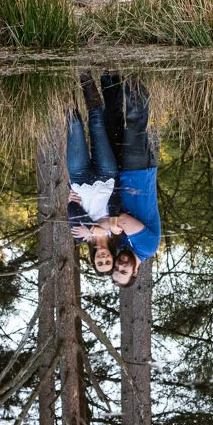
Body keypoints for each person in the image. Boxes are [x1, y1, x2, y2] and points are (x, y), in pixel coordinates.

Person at [101, 72, 161, 286]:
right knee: (135, 122)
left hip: (118, 175)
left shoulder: (120, 247)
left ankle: (110, 75)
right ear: (134, 273)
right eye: (123, 271)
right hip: (139, 173)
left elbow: (104, 226)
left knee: (111, 121)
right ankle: (134, 71)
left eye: (116, 269)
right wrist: (105, 224)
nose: (120, 265)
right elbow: (123, 220)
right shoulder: (147, 247)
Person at [66, 73, 124, 275]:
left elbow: (73, 209)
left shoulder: (79, 237)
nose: (104, 259)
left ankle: (64, 79)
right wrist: (93, 228)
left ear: (93, 260)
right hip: (107, 176)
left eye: (100, 263)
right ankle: (84, 76)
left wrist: (95, 228)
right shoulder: (118, 233)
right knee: (97, 123)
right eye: (108, 261)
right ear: (112, 257)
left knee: (73, 125)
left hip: (80, 180)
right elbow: (112, 219)